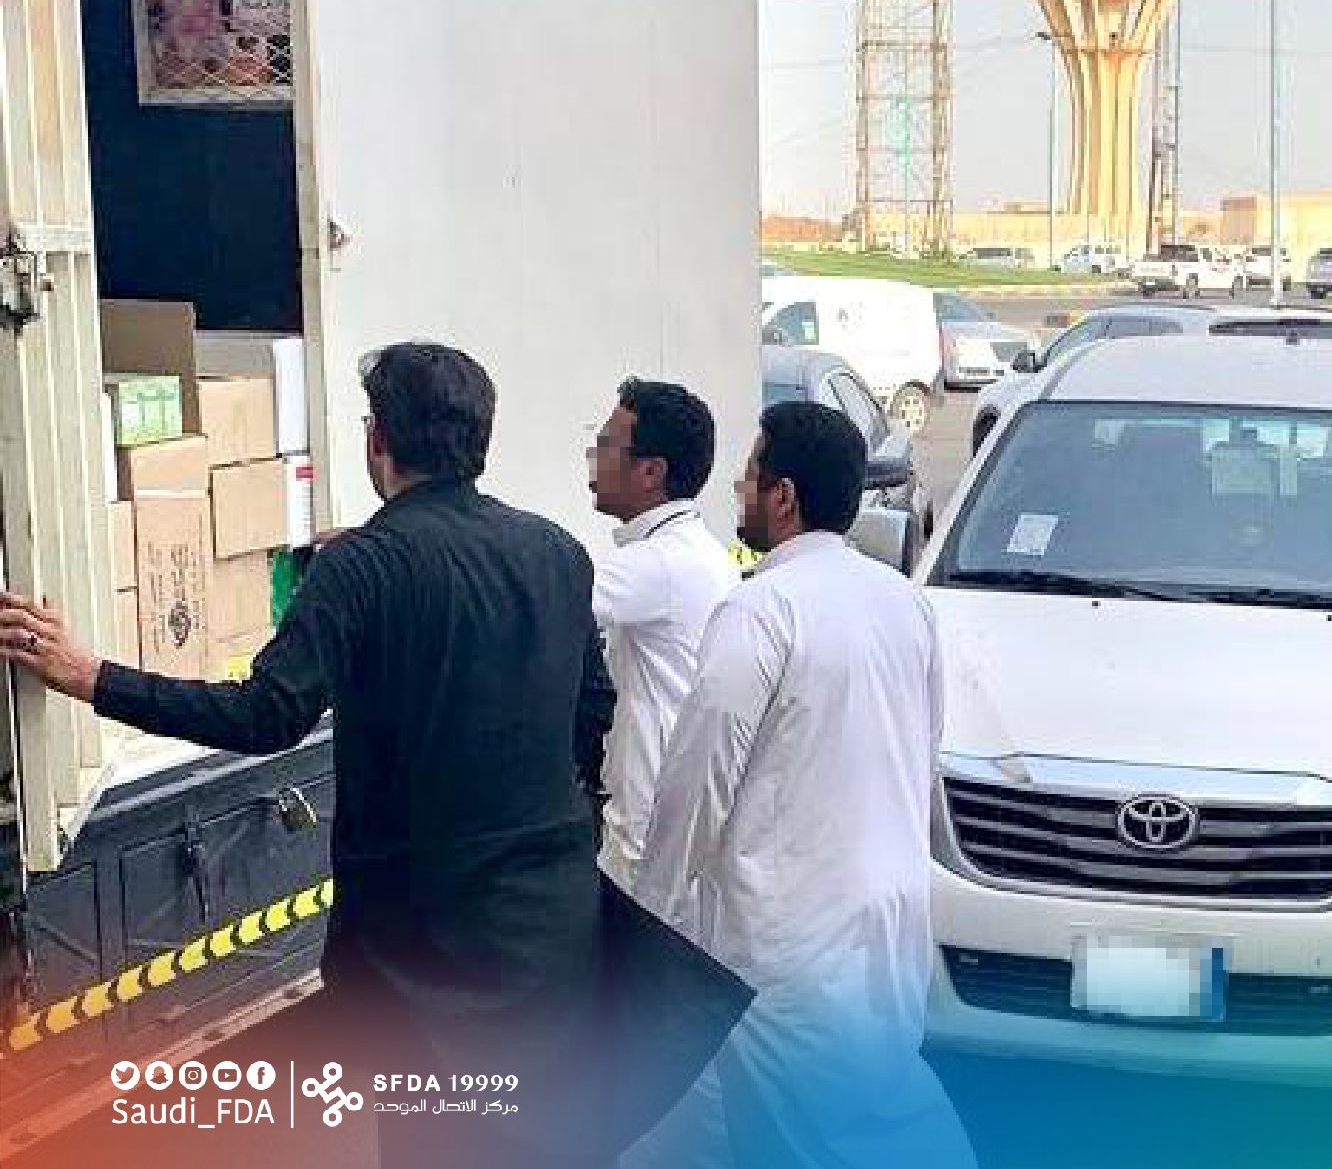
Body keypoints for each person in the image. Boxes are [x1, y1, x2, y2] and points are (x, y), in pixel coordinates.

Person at [0, 344, 620, 1169]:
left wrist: (91, 677)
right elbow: (594, 705)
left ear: (378, 440)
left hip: (422, 956)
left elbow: (266, 715)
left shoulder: (359, 568)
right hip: (550, 925)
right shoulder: (556, 551)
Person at [635, 402, 974, 1169]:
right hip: (891, 927)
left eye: (749, 474)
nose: (738, 489)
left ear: (783, 495)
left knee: (812, 1139)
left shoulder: (761, 609)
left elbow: (698, 779)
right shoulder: (904, 602)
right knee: (870, 1115)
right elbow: (922, 752)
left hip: (788, 944)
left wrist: (651, 926)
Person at [588, 378, 738, 897]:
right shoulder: (697, 551)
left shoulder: (659, 564)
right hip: (676, 819)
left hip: (646, 833)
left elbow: (544, 599)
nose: (593, 458)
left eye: (606, 445)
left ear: (651, 471)